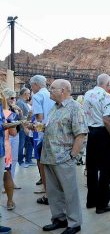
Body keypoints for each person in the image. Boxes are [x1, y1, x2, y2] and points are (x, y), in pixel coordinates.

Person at [41, 79, 88, 234]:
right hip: (49, 156)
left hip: (64, 158)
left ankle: (74, 223)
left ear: (63, 90)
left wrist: (72, 156)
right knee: (53, 193)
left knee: (70, 193)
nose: (49, 90)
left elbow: (81, 135)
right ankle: (59, 219)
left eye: (52, 88)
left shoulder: (75, 108)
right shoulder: (54, 108)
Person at [83, 73, 110, 214]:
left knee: (91, 168)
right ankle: (102, 204)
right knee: (106, 169)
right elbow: (106, 119)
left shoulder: (87, 94)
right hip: (103, 132)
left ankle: (91, 200)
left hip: (91, 132)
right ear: (107, 83)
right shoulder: (106, 96)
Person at [30, 74, 56, 205]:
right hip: (56, 133)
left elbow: (39, 118)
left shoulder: (37, 96)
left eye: (31, 86)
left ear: (35, 84)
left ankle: (48, 195)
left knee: (43, 165)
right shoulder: (52, 94)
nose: (31, 89)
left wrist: (30, 126)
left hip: (43, 136)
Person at [0, 91, 15, 233]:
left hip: (2, 148)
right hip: (4, 147)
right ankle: (10, 201)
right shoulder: (7, 112)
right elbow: (14, 133)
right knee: (7, 174)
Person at [3, 88, 23, 185]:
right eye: (11, 98)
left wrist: (20, 112)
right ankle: (6, 183)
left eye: (14, 98)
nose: (13, 100)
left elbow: (20, 121)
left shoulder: (13, 108)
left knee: (14, 159)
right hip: (7, 136)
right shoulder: (4, 109)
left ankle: (11, 181)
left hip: (15, 134)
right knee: (7, 159)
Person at [16, 87, 32, 167]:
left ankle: (27, 160)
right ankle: (20, 161)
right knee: (21, 145)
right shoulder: (20, 102)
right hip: (22, 128)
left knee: (27, 144)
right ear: (25, 94)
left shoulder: (23, 102)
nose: (29, 95)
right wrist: (24, 127)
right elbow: (20, 116)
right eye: (29, 93)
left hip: (25, 126)